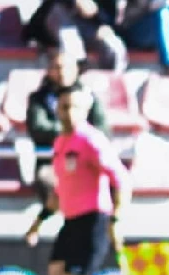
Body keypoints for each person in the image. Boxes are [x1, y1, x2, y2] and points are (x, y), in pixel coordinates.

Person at [24, 86, 132, 275]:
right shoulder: (60, 143)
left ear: (84, 110)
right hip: (70, 222)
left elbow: (120, 178)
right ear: (56, 111)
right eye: (63, 107)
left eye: (73, 107)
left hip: (94, 220)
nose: (68, 113)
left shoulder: (92, 141)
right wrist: (38, 223)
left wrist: (117, 217)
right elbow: (60, 190)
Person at [27, 50, 109, 209]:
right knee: (48, 180)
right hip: (52, 161)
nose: (62, 72)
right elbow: (38, 129)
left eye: (66, 67)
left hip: (86, 160)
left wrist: (79, 137)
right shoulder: (39, 98)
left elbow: (102, 129)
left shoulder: (88, 96)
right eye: (56, 67)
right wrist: (71, 132)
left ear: (76, 70)